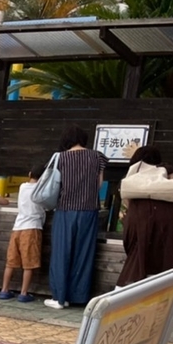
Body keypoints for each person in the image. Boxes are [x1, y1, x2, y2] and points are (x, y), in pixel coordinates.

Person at [45, 125, 106, 309]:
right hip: (89, 209)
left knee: (61, 252)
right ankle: (79, 295)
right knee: (84, 253)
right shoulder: (98, 157)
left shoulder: (60, 157)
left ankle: (59, 297)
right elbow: (99, 183)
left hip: (65, 209)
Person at [116, 147, 173, 289]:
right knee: (164, 257)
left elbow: (126, 200)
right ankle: (158, 292)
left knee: (136, 254)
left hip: (138, 215)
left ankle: (124, 290)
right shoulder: (166, 169)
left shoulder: (135, 170)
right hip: (165, 216)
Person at [0, 164, 46, 303]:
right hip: (32, 228)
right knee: (29, 263)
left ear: (30, 173)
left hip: (17, 227)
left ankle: (4, 290)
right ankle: (24, 293)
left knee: (11, 262)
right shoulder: (41, 191)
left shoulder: (22, 187)